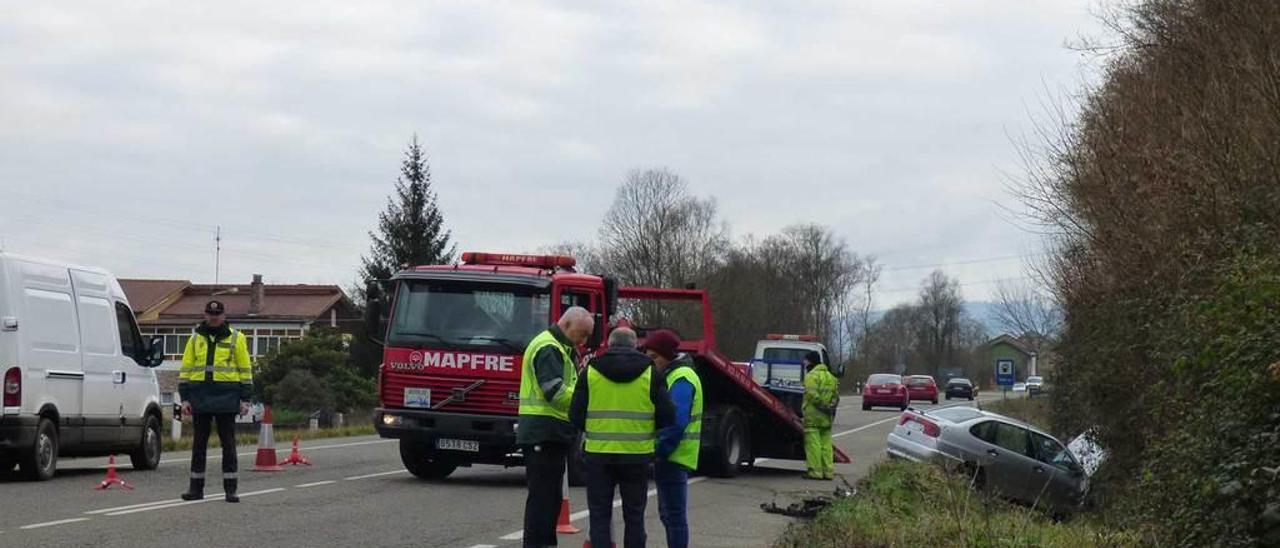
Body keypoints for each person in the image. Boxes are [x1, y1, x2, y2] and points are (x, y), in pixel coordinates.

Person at [569, 327, 674, 548]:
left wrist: (593, 428)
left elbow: (575, 415)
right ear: (635, 345)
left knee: (599, 517)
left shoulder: (591, 371)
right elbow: (668, 415)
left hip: (598, 455)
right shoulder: (650, 372)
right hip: (637, 456)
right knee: (634, 517)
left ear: (609, 344)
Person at [517, 306, 594, 548]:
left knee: (550, 498)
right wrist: (586, 401)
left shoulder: (561, 347)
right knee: (542, 498)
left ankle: (545, 543)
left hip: (551, 432)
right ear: (567, 325)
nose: (583, 341)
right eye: (581, 334)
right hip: (543, 432)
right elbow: (554, 391)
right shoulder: (549, 348)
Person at [178, 300, 253, 502]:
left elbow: (245, 370)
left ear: (224, 316)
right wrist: (184, 399)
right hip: (200, 396)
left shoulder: (237, 338)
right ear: (205, 315)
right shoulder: (195, 339)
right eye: (211, 314)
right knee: (198, 445)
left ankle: (230, 489)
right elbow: (185, 370)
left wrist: (245, 399)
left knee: (228, 444)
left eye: (218, 314)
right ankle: (195, 489)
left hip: (227, 397)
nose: (214, 317)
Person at [646, 329, 702, 548]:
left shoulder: (681, 378)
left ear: (667, 356)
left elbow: (676, 422)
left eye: (654, 357)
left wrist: (658, 449)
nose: (652, 363)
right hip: (674, 454)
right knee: (669, 514)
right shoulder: (674, 375)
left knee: (673, 515)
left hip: (674, 455)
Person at [802, 351, 838, 480]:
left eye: (805, 360)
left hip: (813, 416)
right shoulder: (831, 377)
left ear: (810, 361)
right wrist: (830, 407)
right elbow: (835, 396)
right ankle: (828, 472)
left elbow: (812, 395)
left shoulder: (811, 376)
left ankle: (815, 472)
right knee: (826, 445)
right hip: (827, 416)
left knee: (813, 444)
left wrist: (823, 406)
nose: (804, 363)